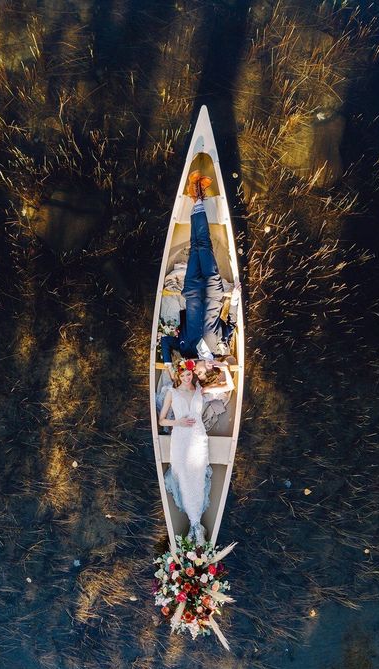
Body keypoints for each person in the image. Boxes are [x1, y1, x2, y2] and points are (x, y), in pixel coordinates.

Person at [160, 171, 241, 374]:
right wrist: (235, 300)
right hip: (214, 288)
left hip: (193, 289)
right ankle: (197, 197)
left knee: (196, 245)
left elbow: (165, 342)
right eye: (204, 371)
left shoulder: (185, 348)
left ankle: (196, 194)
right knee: (204, 246)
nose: (201, 369)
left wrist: (170, 366)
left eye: (198, 372)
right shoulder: (217, 348)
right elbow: (231, 322)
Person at [158, 360, 211, 544]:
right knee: (184, 478)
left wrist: (219, 366)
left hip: (198, 438)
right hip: (180, 439)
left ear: (192, 373)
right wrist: (177, 423)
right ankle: (196, 525)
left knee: (197, 478)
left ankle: (195, 525)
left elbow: (226, 385)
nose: (187, 378)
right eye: (183, 376)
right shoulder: (172, 393)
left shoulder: (198, 390)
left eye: (189, 374)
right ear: (178, 377)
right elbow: (162, 420)